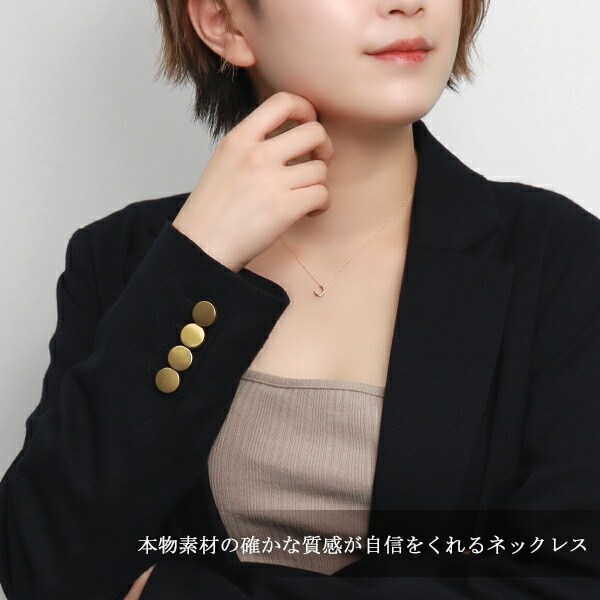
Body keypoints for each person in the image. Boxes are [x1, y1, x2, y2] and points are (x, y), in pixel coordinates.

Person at [1, 0, 599, 598]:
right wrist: (198, 261)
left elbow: (572, 580)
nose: (406, 3)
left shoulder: (562, 259)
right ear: (223, 22)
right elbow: (45, 566)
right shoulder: (121, 261)